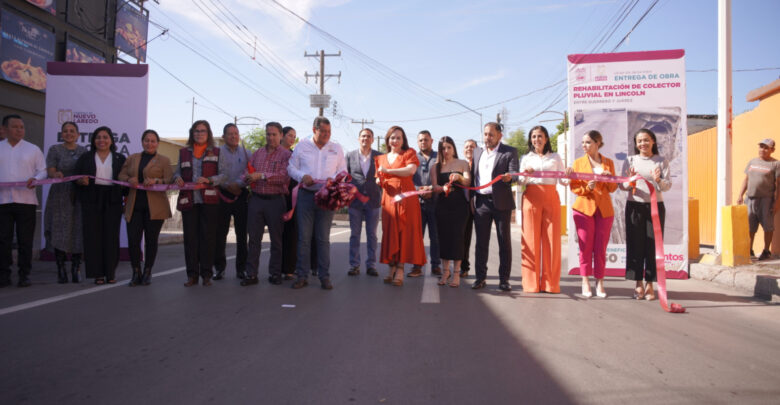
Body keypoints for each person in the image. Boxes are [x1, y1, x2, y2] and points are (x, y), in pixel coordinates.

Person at [287, 117, 346, 290]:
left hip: (327, 197)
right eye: (323, 131)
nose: (327, 135)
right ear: (314, 130)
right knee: (304, 238)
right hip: (306, 196)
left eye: (329, 132)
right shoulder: (302, 146)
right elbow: (291, 167)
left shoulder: (336, 148)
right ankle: (301, 276)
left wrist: (333, 180)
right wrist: (301, 177)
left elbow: (343, 171)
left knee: (323, 239)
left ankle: (324, 277)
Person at [620, 128, 671, 300]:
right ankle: (638, 284)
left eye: (646, 140)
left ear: (653, 141)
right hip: (634, 207)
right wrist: (630, 181)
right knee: (635, 246)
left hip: (655, 208)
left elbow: (667, 185)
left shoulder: (661, 161)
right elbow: (622, 185)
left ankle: (650, 284)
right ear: (636, 144)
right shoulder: (630, 160)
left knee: (652, 247)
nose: (643, 143)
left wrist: (658, 180)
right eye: (640, 141)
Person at [118, 129, 172, 286]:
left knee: (151, 240)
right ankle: (136, 271)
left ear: (158, 143)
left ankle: (148, 271)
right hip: (134, 206)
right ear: (142, 142)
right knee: (133, 241)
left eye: (153, 140)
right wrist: (129, 179)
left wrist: (156, 181)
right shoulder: (132, 158)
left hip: (155, 207)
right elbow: (120, 175)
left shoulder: (164, 160)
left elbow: (170, 179)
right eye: (147, 140)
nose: (150, 143)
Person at [75, 126, 127, 285]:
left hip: (113, 199)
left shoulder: (119, 158)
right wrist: (80, 181)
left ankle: (110, 272)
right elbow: (76, 178)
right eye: (98, 137)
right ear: (94, 140)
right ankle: (97, 273)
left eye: (105, 137)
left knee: (111, 236)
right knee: (93, 237)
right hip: (91, 199)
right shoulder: (85, 157)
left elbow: (124, 181)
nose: (102, 140)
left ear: (111, 140)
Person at [519, 125, 568, 293]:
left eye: (540, 136)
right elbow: (520, 183)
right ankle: (531, 284)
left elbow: (564, 181)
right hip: (531, 199)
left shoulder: (555, 157)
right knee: (530, 242)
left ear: (546, 139)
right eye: (533, 136)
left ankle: (550, 284)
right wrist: (526, 174)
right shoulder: (526, 158)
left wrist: (568, 174)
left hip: (551, 198)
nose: (536, 140)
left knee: (552, 242)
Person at [174, 120, 223, 287]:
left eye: (202, 131)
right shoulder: (183, 152)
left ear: (208, 133)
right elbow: (177, 172)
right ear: (191, 133)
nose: (199, 134)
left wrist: (209, 180)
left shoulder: (216, 151)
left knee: (208, 238)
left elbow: (224, 175)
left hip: (209, 201)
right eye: (196, 131)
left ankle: (207, 274)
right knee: (190, 239)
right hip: (189, 200)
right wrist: (177, 178)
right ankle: (192, 275)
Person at [241, 122, 291, 287]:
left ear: (281, 135)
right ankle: (251, 274)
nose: (270, 137)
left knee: (276, 240)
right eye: (268, 134)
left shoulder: (286, 155)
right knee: (254, 239)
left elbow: (284, 177)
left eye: (274, 134)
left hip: (275, 201)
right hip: (256, 200)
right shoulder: (257, 153)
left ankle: (275, 273)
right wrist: (247, 177)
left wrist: (261, 175)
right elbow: (247, 172)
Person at [376, 126, 426, 286]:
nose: (395, 140)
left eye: (398, 137)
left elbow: (410, 171)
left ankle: (400, 269)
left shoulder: (409, 153)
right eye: (392, 137)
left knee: (403, 232)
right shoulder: (380, 158)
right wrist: (379, 180)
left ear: (403, 140)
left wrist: (387, 172)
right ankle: (391, 267)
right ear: (388, 139)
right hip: (389, 197)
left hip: (406, 197)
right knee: (389, 231)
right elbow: (378, 177)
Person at [0, 115, 47, 287]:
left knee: (24, 240)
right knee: (3, 240)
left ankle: (24, 274)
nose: (19, 130)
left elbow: (43, 170)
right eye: (15, 127)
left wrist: (35, 179)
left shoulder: (32, 149)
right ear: (4, 129)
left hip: (26, 201)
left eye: (21, 127)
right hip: (3, 201)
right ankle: (3, 274)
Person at [471, 123, 519, 291]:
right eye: (485, 134)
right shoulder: (477, 152)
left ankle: (504, 280)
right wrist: (471, 200)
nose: (487, 138)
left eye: (491, 134)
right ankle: (480, 278)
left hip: (501, 203)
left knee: (503, 242)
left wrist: (509, 177)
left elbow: (515, 174)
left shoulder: (509, 151)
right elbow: (473, 177)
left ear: (499, 135)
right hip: (481, 203)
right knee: (481, 243)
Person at [570, 130, 617, 298]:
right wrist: (587, 188)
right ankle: (585, 281)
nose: (584, 145)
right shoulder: (577, 163)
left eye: (588, 142)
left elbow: (613, 188)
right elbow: (574, 187)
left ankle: (600, 282)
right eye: (583, 142)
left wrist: (609, 179)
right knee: (585, 247)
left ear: (598, 143)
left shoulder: (609, 163)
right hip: (583, 209)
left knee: (600, 248)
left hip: (604, 211)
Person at [44, 121, 87, 283]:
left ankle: (76, 268)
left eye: (72, 131)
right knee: (59, 231)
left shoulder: (83, 151)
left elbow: (87, 171)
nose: (69, 133)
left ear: (77, 134)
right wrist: (55, 174)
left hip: (79, 196)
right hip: (60, 195)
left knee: (77, 231)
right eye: (65, 131)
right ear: (62, 134)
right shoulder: (55, 149)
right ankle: (61, 268)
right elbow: (51, 169)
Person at [431, 136, 471, 287]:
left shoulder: (462, 163)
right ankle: (445, 271)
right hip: (442, 206)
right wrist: (442, 188)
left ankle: (456, 273)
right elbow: (434, 187)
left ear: (454, 147)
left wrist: (460, 177)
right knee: (444, 239)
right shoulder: (436, 166)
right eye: (443, 148)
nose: (446, 151)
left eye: (449, 147)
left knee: (458, 239)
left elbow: (468, 181)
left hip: (459, 207)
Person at [280, 126, 317, 279]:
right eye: (289, 135)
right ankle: (283, 267)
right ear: (282, 135)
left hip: (296, 196)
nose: (291, 139)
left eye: (294, 136)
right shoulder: (277, 154)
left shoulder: (295, 154)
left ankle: (306, 266)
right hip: (280, 196)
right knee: (283, 234)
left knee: (300, 233)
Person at [214, 123, 249, 281]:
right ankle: (219, 269)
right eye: (230, 134)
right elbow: (215, 174)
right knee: (220, 234)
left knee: (242, 235)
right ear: (223, 136)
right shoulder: (217, 153)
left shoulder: (247, 153)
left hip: (241, 195)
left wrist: (239, 186)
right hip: (222, 195)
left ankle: (241, 269)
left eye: (236, 133)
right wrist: (227, 186)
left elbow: (250, 173)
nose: (234, 136)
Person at [346, 128, 382, 277]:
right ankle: (354, 265)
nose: (365, 139)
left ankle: (371, 265)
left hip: (373, 201)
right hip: (355, 202)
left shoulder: (380, 156)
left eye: (368, 136)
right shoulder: (349, 155)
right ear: (358, 138)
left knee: (372, 235)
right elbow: (345, 176)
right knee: (354, 234)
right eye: (363, 136)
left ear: (373, 139)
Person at [736, 138, 780, 260]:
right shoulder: (752, 162)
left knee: (768, 226)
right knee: (750, 226)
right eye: (761, 147)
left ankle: (766, 251)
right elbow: (746, 179)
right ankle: (749, 250)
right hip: (750, 198)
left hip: (766, 200)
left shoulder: (775, 164)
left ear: (772, 150)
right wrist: (740, 195)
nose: (763, 150)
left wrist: (777, 203)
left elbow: (779, 184)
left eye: (766, 147)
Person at [409, 130, 441, 277]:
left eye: (426, 140)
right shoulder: (412, 158)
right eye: (421, 140)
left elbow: (443, 177)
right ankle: (417, 266)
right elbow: (408, 180)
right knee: (417, 237)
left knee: (435, 237)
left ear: (432, 141)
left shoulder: (439, 157)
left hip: (436, 203)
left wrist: (432, 190)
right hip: (417, 204)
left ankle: (436, 265)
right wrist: (418, 189)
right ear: (417, 142)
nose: (423, 142)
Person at [460, 139, 478, 278]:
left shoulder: (480, 164)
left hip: (479, 205)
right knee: (464, 238)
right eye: (466, 147)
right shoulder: (459, 165)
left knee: (482, 240)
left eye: (472, 146)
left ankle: (480, 272)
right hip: (463, 205)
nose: (469, 149)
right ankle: (463, 267)